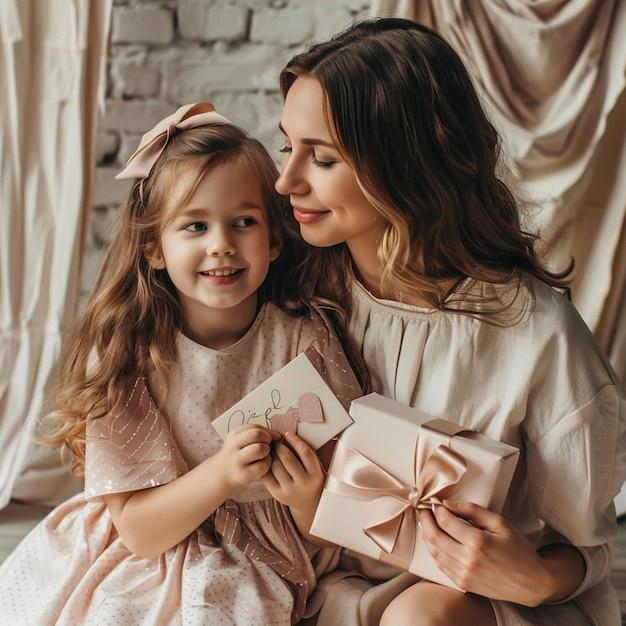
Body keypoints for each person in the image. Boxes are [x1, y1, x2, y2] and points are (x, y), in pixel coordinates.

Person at [274, 17, 626, 626]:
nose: (286, 182)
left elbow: (584, 550)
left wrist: (536, 575)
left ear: (404, 163)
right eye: (287, 146)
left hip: (467, 605)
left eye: (322, 158)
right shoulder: (288, 291)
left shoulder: (535, 334)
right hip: (309, 580)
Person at [0, 103, 362, 625]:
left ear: (275, 239)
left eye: (244, 222)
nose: (221, 245)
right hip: (145, 548)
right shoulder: (130, 351)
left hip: (255, 553)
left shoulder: (304, 338)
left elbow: (334, 519)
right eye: (195, 226)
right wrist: (223, 473)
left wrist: (307, 500)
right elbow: (141, 534)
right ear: (154, 248)